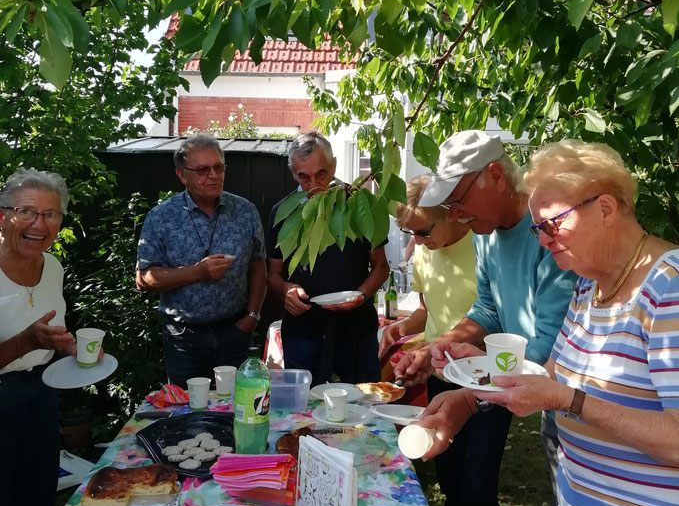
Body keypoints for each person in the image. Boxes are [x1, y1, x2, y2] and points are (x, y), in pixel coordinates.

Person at [421, 139, 679, 506]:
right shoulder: (590, 286)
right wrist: (469, 400)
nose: (542, 242)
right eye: (537, 228)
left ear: (605, 208)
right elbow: (552, 370)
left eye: (552, 225)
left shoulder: (668, 288)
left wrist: (572, 402)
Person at [394, 130, 575, 506]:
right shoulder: (487, 232)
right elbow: (489, 311)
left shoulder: (549, 233)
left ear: (496, 174)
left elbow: (549, 344)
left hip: (564, 394)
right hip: (529, 393)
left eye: (459, 198)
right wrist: (438, 348)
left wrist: (470, 394)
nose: (456, 213)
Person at [136, 135, 267, 386]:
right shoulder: (161, 217)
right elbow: (143, 279)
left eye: (218, 167)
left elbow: (258, 264)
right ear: (182, 175)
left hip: (235, 331)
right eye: (202, 170)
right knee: (188, 412)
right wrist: (197, 272)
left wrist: (252, 315)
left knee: (237, 409)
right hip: (184, 338)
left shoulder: (245, 211)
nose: (213, 175)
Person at [0, 168, 75, 506]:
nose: (39, 225)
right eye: (27, 212)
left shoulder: (53, 268)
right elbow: (28, 339)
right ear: (3, 217)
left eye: (51, 215)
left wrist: (70, 347)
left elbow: (47, 333)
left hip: (41, 395)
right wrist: (25, 342)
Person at [267, 131, 389, 385]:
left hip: (356, 330)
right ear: (293, 173)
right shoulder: (282, 213)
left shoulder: (359, 205)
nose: (314, 184)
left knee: (362, 406)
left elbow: (380, 267)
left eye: (321, 173)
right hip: (304, 332)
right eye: (304, 177)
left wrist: (361, 295)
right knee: (305, 412)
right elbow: (273, 274)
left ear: (333, 165)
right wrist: (286, 290)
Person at [379, 174, 477, 356]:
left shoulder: (483, 245)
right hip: (434, 364)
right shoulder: (424, 250)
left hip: (473, 367)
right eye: (412, 232)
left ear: (450, 215)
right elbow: (426, 311)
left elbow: (492, 319)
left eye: (423, 232)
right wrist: (403, 326)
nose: (417, 241)